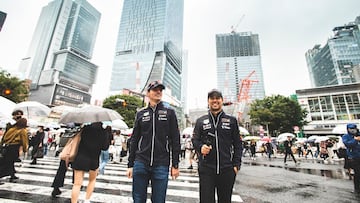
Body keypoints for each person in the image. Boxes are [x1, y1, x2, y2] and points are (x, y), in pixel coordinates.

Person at [126, 81, 181, 203]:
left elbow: (175, 139)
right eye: (155, 89)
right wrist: (130, 164)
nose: (158, 92)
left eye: (160, 90)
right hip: (141, 162)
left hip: (161, 163)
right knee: (138, 199)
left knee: (159, 200)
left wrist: (175, 164)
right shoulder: (141, 113)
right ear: (148, 93)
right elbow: (134, 139)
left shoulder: (169, 112)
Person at [192, 89, 242, 203]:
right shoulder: (201, 121)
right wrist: (200, 147)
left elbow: (238, 144)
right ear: (208, 101)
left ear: (222, 101)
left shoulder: (231, 121)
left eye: (217, 98)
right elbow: (195, 140)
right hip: (206, 169)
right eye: (212, 98)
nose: (215, 101)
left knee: (225, 200)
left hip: (227, 169)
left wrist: (236, 165)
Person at [71, 122, 109, 203]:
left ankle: (74, 201)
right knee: (92, 180)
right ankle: (87, 200)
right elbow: (105, 147)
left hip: (81, 157)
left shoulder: (85, 128)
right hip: (94, 159)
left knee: (77, 184)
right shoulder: (103, 132)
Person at [0, 118, 29, 183]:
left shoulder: (11, 129)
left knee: (9, 162)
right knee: (8, 163)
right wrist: (25, 149)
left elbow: (4, 138)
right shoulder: (22, 130)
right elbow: (24, 141)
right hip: (15, 148)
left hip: (7, 147)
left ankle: (12, 175)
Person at [342, 123, 360, 194]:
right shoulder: (345, 136)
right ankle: (357, 188)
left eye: (354, 128)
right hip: (353, 157)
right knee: (358, 173)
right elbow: (348, 144)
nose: (353, 130)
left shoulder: (358, 135)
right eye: (351, 128)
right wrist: (355, 140)